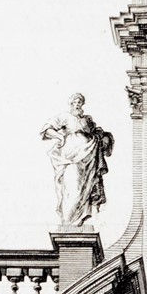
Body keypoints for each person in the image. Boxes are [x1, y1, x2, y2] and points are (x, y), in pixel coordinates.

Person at [41, 92, 113, 226]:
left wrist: (103, 138)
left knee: (86, 187)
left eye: (79, 102)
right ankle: (68, 222)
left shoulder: (87, 120)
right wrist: (60, 137)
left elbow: (97, 134)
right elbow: (47, 130)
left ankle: (79, 221)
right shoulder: (65, 116)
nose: (77, 104)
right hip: (71, 157)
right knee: (73, 187)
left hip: (89, 158)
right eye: (74, 102)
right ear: (70, 103)